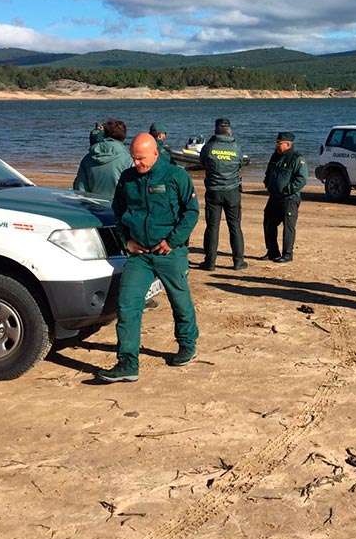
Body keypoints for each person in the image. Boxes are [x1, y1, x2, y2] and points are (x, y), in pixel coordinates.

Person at [96, 133, 200, 382]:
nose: (137, 163)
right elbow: (118, 212)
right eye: (134, 158)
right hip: (139, 255)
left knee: (180, 300)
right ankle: (127, 362)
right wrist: (126, 242)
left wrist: (172, 241)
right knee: (127, 304)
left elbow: (191, 211)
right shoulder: (128, 178)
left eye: (141, 158)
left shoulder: (176, 175)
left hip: (169, 253)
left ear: (155, 153)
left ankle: (187, 346)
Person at [199, 117, 246, 271]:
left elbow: (202, 162)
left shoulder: (209, 147)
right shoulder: (236, 147)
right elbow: (240, 163)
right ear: (229, 129)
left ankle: (210, 262)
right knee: (235, 226)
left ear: (216, 129)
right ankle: (238, 262)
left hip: (214, 191)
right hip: (232, 191)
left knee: (212, 227)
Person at [261, 131, 307, 263]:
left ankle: (287, 254)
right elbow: (269, 171)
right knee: (269, 222)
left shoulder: (297, 158)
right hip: (274, 196)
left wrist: (287, 190)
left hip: (290, 198)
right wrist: (267, 182)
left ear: (288, 144)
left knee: (288, 226)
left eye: (279, 143)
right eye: (276, 143)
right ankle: (272, 252)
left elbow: (301, 179)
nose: (277, 145)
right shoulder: (275, 156)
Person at [73, 119, 133, 199]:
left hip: (93, 207)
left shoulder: (87, 158)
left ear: (104, 135)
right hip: (118, 209)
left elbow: (80, 190)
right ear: (123, 136)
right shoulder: (128, 159)